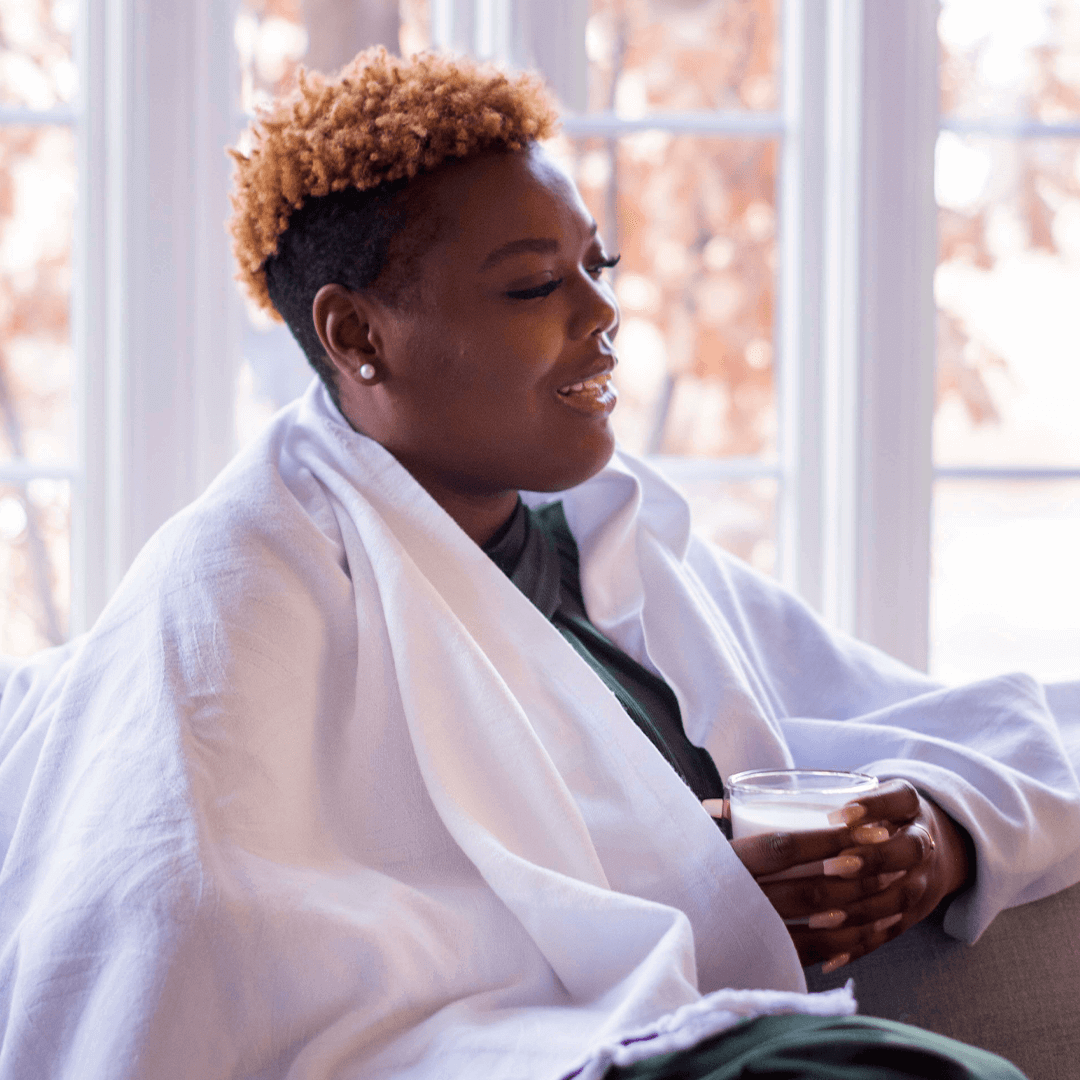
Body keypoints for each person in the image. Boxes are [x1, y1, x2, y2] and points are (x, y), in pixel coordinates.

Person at [0, 46, 1077, 1080]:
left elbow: (935, 721)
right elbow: (197, 940)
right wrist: (687, 898)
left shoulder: (616, 542)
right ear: (357, 337)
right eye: (532, 289)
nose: (604, 315)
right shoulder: (242, 573)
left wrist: (934, 834)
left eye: (595, 266)